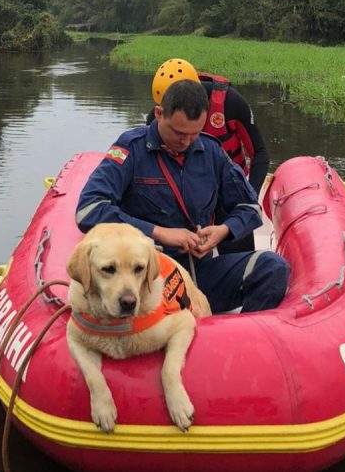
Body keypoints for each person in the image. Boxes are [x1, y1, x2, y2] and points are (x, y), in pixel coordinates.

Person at [76, 79, 289, 314]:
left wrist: (222, 231)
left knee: (273, 268)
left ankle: (240, 335)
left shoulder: (211, 151)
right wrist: (158, 233)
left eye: (194, 133)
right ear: (159, 114)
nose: (186, 142)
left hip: (201, 272)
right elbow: (88, 210)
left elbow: (250, 207)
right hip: (148, 277)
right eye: (178, 133)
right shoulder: (130, 149)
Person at [147, 58, 270, 253]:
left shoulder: (231, 102)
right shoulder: (160, 119)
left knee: (239, 248)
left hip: (229, 190)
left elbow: (260, 154)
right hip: (189, 194)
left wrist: (248, 200)